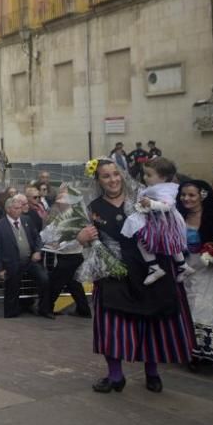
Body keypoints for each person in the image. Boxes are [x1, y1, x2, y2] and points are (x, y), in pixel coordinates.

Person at [77, 159, 194, 393]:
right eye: (106, 176)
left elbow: (169, 219)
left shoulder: (142, 195)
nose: (113, 180)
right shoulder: (91, 207)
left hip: (151, 267)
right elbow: (87, 242)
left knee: (153, 320)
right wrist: (81, 237)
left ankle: (152, 373)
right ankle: (115, 376)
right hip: (114, 270)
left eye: (116, 174)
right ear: (98, 180)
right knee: (112, 325)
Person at [120, 157, 189, 285]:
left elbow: (166, 205)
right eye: (144, 174)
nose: (145, 177)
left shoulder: (164, 189)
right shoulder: (161, 187)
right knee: (171, 243)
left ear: (162, 177)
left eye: (149, 175)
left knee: (142, 240)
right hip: (160, 221)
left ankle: (154, 267)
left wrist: (151, 203)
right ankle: (182, 265)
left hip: (162, 223)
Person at [177, 179, 213, 363]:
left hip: (208, 268)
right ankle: (190, 350)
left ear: (201, 196)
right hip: (185, 267)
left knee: (204, 306)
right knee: (188, 305)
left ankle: (204, 349)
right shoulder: (178, 217)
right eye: (184, 195)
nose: (187, 198)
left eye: (191, 195)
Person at [0, 194, 52, 319]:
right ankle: (10, 314)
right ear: (8, 209)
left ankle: (44, 309)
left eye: (20, 207)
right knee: (12, 287)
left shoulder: (26, 220)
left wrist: (38, 251)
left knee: (45, 279)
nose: (19, 210)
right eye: (16, 208)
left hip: (30, 260)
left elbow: (37, 238)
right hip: (12, 262)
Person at [43, 185, 91, 318]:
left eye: (61, 200)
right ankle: (84, 310)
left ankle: (47, 308)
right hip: (68, 255)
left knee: (56, 283)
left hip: (70, 255)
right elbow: (51, 231)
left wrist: (58, 245)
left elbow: (76, 238)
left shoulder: (76, 217)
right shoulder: (65, 215)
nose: (58, 202)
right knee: (74, 284)